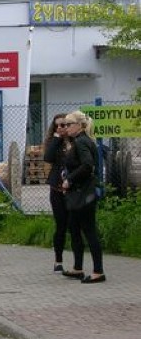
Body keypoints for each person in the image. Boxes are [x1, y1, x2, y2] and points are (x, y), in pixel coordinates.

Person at [60, 111, 105, 284]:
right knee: (73, 227)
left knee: (89, 230)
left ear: (79, 125)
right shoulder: (80, 141)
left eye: (69, 124)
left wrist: (69, 180)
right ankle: (78, 267)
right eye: (64, 124)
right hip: (78, 192)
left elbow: (87, 165)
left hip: (84, 193)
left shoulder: (81, 142)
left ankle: (98, 271)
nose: (66, 127)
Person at [42, 113, 71, 273]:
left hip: (72, 189)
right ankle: (58, 260)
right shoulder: (54, 142)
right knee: (60, 225)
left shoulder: (74, 141)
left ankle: (77, 263)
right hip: (57, 189)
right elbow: (48, 157)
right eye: (57, 125)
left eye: (63, 125)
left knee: (73, 225)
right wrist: (57, 138)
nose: (60, 128)